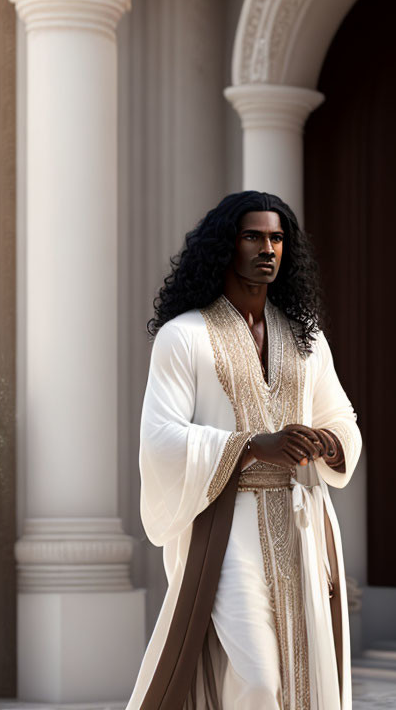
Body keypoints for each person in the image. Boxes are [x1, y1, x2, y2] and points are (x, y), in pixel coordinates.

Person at [126, 190, 362, 710]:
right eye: (253, 236)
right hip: (228, 527)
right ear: (225, 246)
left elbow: (341, 418)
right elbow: (160, 437)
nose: (267, 249)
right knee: (257, 679)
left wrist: (328, 442)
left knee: (305, 673)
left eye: (277, 238)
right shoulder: (182, 336)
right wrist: (252, 446)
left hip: (303, 523)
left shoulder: (307, 340)